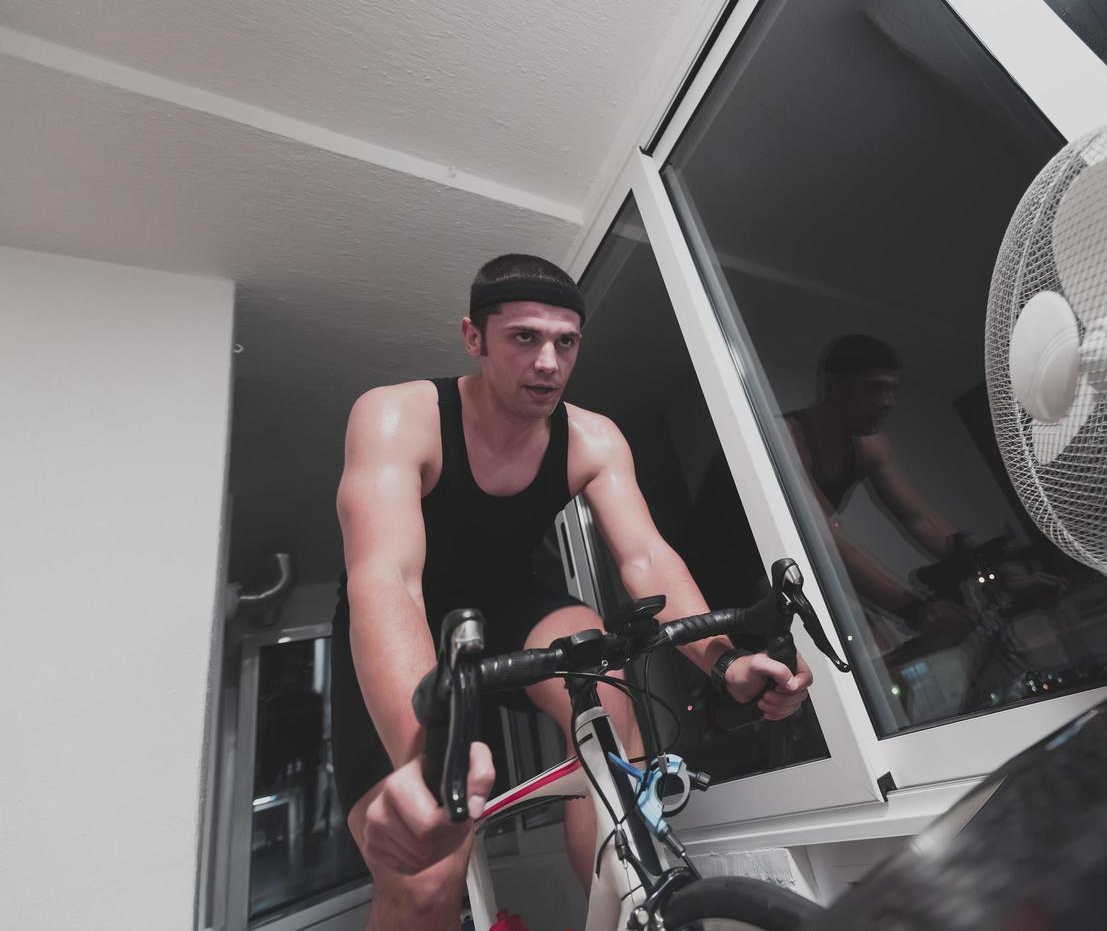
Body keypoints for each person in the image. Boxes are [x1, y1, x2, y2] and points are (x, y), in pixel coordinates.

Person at [329, 254, 814, 930]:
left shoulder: (592, 438)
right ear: (474, 338)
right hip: (401, 626)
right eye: (524, 337)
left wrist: (726, 661)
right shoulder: (397, 416)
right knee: (426, 875)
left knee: (604, 679)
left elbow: (645, 557)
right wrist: (426, 760)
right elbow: (387, 580)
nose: (549, 362)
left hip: (509, 604)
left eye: (565, 342)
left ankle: (628, 906)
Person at [782, 334, 970, 637]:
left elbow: (919, 519)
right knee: (867, 636)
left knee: (874, 635)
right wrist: (914, 609)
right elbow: (824, 538)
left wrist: (982, 564)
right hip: (745, 565)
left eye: (892, 390)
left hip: (795, 563)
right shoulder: (789, 437)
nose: (888, 403)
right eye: (875, 388)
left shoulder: (869, 445)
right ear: (835, 385)